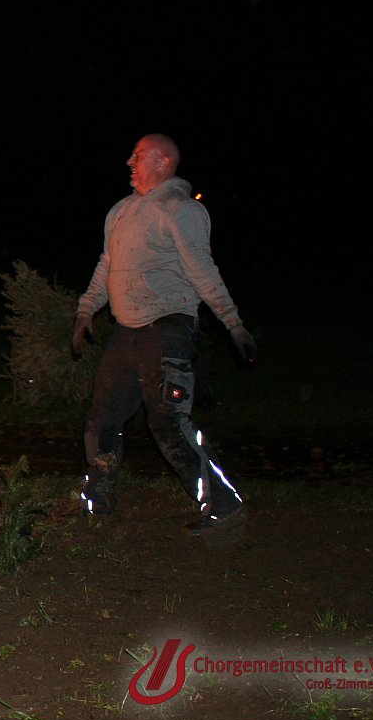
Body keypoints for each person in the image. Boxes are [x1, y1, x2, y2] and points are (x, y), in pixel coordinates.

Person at [71, 133, 258, 537]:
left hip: (168, 327)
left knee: (168, 422)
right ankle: (97, 503)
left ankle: (223, 506)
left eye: (138, 156)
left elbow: (202, 270)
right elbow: (107, 265)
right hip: (126, 332)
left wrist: (233, 323)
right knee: (102, 419)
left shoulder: (180, 210)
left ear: (163, 162)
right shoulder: (120, 211)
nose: (129, 162)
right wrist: (86, 310)